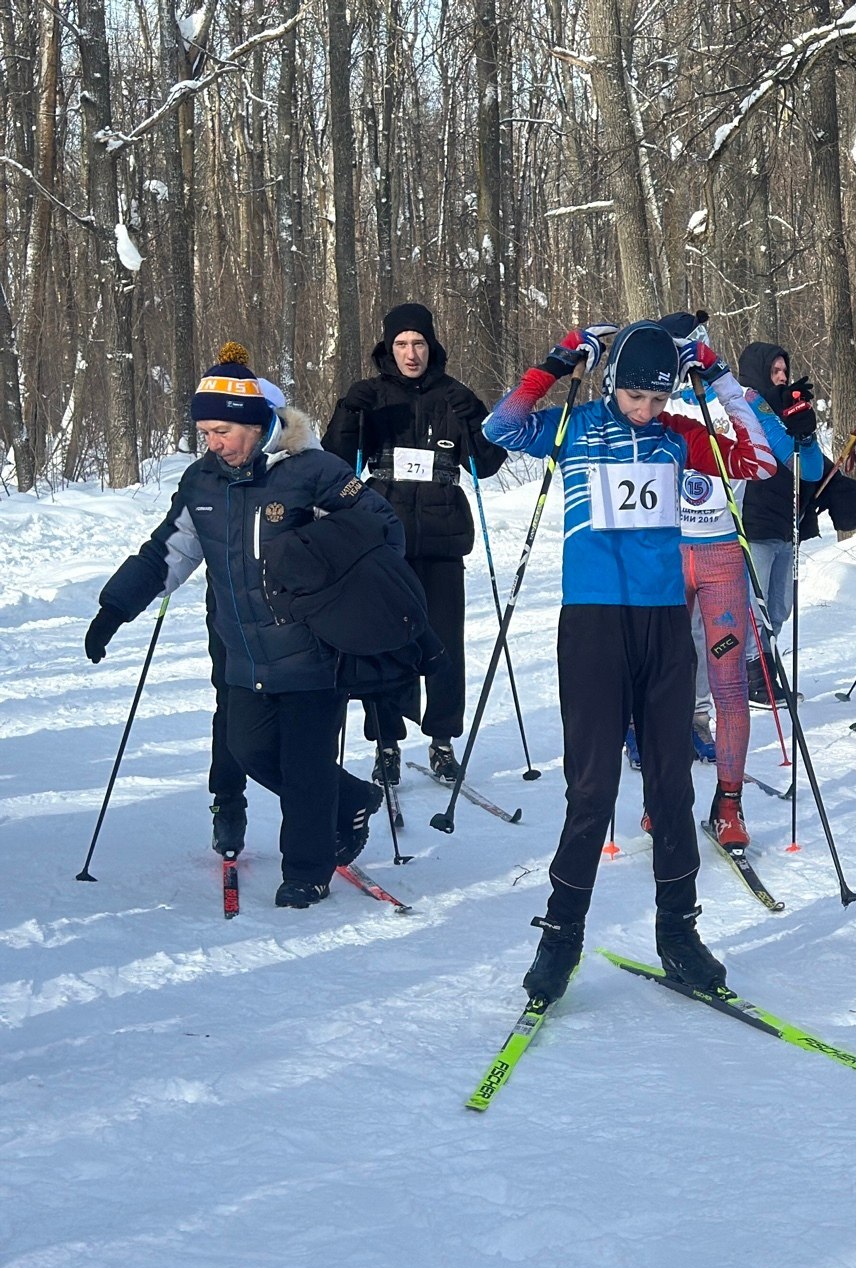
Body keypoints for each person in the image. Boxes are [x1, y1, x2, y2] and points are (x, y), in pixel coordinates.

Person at [482, 321, 773, 1004]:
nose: (645, 409)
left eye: (656, 398)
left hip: (664, 626)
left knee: (671, 786)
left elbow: (758, 460)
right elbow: (500, 428)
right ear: (613, 384)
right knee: (590, 791)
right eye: (635, 396)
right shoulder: (574, 427)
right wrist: (558, 360)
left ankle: (679, 932)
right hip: (591, 625)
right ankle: (561, 936)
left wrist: (718, 374)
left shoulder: (678, 435)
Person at [85, 344, 395, 907]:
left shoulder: (312, 472)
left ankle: (306, 869)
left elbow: (381, 529)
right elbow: (167, 553)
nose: (213, 442)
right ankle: (351, 797)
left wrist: (325, 561)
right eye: (205, 432)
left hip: (312, 648)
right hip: (243, 652)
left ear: (255, 424)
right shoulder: (202, 483)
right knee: (249, 750)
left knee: (304, 765)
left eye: (221, 430)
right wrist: (114, 608)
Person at [322, 303, 508, 785]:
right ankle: (386, 742)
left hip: (443, 541)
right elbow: (337, 461)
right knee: (384, 642)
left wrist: (480, 422)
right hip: (383, 541)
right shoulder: (372, 396)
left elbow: (485, 465)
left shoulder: (454, 395)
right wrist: (348, 410)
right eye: (402, 344)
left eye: (419, 343)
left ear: (432, 346)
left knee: (445, 646)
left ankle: (442, 740)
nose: (411, 353)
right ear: (388, 348)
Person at [660, 309, 764, 847]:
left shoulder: (727, 398)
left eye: (691, 350)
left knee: (729, 687)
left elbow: (764, 461)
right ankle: (665, 797)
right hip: (668, 558)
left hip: (722, 556)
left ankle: (728, 805)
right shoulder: (655, 404)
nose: (682, 364)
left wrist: (719, 376)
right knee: (664, 682)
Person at [735, 342, 856, 706]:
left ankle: (766, 665)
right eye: (773, 372)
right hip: (755, 523)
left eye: (783, 372)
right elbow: (769, 445)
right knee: (754, 605)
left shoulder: (786, 416)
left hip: (786, 524)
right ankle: (751, 674)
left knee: (779, 607)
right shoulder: (746, 408)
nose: (781, 378)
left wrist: (836, 486)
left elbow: (809, 463)